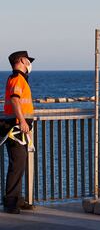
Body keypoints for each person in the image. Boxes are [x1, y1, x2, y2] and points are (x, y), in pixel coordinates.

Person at [2, 51, 36, 214]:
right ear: (22, 60)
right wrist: (22, 121)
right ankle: (10, 203)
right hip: (15, 128)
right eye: (28, 60)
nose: (30, 63)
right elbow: (15, 100)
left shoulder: (16, 78)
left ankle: (17, 200)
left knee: (19, 164)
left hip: (18, 129)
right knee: (17, 164)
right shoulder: (17, 79)